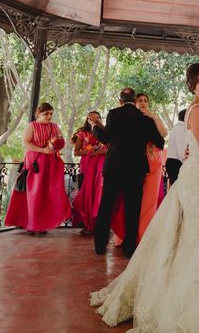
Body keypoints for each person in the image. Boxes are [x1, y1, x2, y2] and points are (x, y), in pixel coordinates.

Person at [90, 63, 199, 333]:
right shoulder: (198, 110)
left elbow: (193, 146)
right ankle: (189, 303)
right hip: (196, 182)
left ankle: (184, 288)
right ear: (191, 86)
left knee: (192, 237)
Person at [89, 88, 164, 257]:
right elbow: (159, 141)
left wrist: (94, 126)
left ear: (120, 101)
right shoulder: (145, 118)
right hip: (136, 168)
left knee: (107, 206)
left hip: (115, 166)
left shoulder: (114, 114)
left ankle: (100, 246)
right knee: (133, 208)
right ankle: (129, 249)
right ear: (134, 100)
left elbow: (106, 137)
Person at [4, 102, 71, 235]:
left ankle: (44, 223)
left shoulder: (54, 126)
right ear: (38, 114)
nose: (49, 116)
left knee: (48, 193)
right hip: (35, 161)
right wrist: (43, 150)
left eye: (51, 113)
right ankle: (32, 224)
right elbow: (26, 143)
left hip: (51, 162)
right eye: (46, 113)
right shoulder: (32, 126)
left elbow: (61, 141)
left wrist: (55, 146)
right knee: (35, 192)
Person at [110, 93, 167, 246]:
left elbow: (164, 134)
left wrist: (154, 117)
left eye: (145, 101)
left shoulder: (152, 118)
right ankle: (125, 235)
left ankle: (143, 237)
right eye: (139, 100)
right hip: (134, 161)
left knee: (149, 200)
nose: (142, 103)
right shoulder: (129, 118)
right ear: (133, 102)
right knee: (127, 200)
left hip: (153, 160)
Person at [71, 111, 107, 234]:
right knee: (86, 196)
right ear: (88, 118)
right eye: (92, 117)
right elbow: (76, 152)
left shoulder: (104, 133)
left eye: (98, 117)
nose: (95, 119)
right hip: (86, 169)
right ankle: (87, 224)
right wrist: (90, 151)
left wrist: (102, 150)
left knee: (98, 197)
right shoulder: (82, 133)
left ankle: (98, 224)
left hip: (100, 170)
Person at [165, 108, 188, 186]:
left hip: (173, 162)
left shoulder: (177, 127)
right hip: (176, 163)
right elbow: (182, 150)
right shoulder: (181, 128)